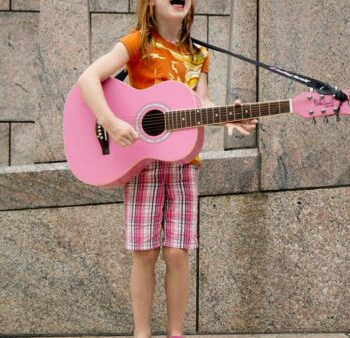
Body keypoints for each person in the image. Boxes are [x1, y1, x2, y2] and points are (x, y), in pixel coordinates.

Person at [77, 1, 257, 337]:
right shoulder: (137, 43)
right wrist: (111, 122)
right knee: (145, 252)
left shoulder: (199, 54)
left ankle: (176, 333)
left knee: (177, 252)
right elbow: (88, 78)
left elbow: (199, 102)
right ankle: (141, 333)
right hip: (141, 161)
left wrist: (226, 115)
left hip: (184, 163)